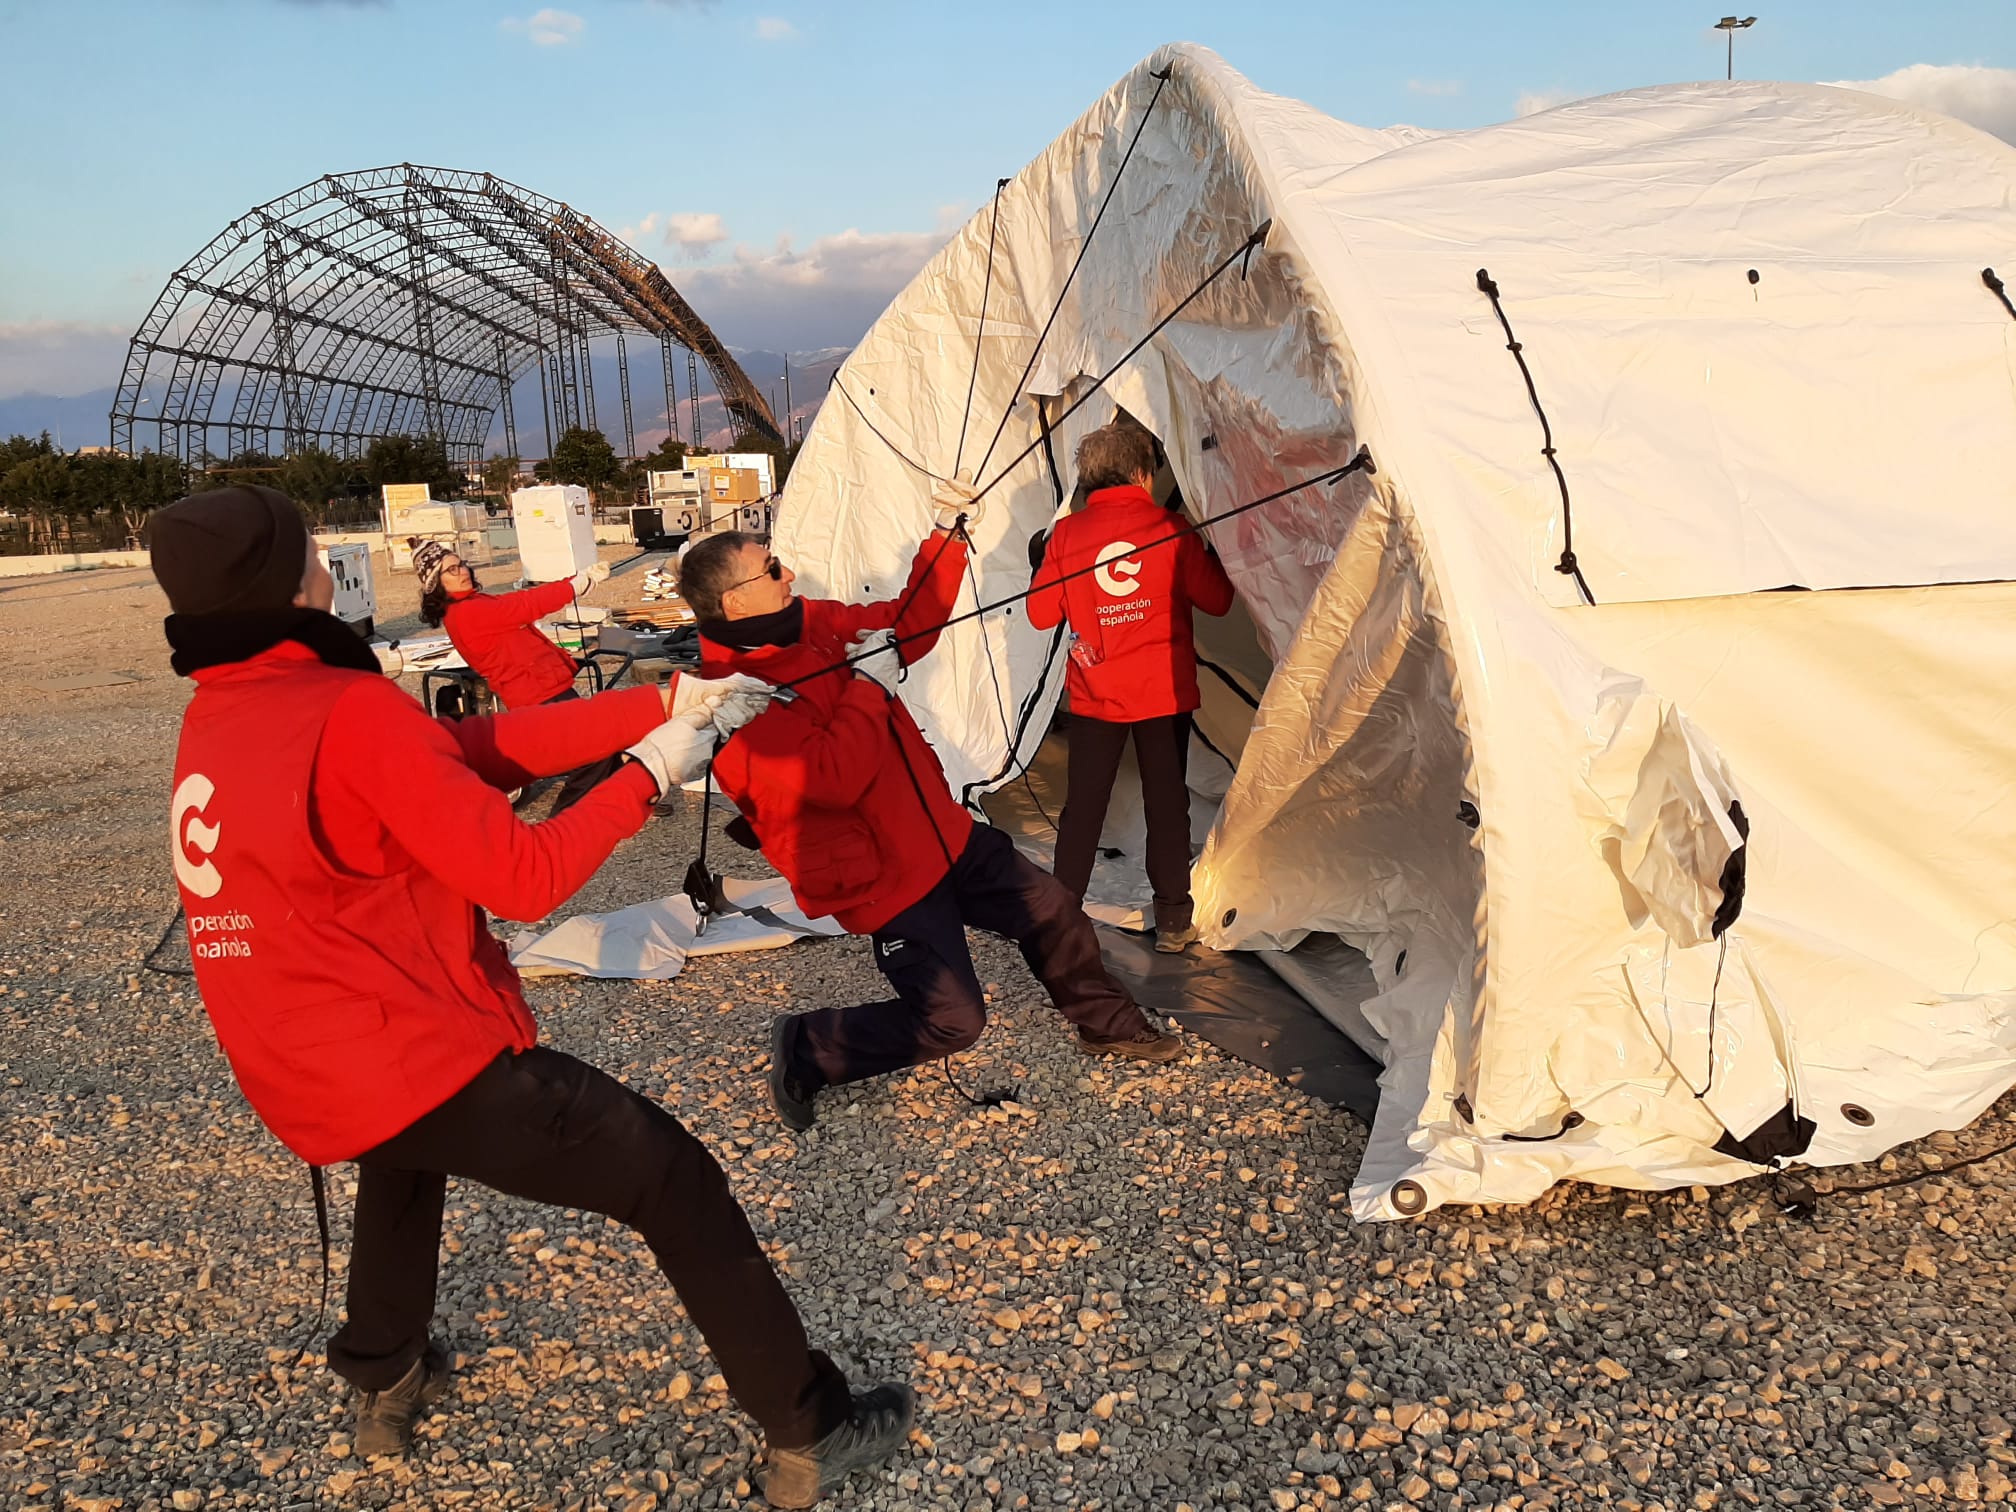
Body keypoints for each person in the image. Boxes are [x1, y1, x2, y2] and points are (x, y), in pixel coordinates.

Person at [153, 486, 912, 1508]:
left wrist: (665, 703)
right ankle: (809, 1426)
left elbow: (472, 753)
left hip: (301, 1063)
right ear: (284, 585)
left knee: (400, 1161)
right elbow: (523, 877)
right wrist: (649, 772)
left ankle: (384, 1373)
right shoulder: (346, 710)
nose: (328, 564)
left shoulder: (225, 710)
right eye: (310, 553)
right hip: (414, 1051)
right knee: (672, 1180)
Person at [676, 488, 1183, 1136]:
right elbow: (829, 778)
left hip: (943, 834)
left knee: (1053, 909)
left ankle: (1107, 1024)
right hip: (884, 878)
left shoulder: (805, 623)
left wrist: (946, 537)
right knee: (952, 1022)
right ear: (735, 602)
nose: (790, 573)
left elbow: (904, 625)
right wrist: (868, 684)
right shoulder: (728, 700)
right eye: (772, 569)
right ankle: (809, 1045)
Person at [1026, 422, 1235, 952]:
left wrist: (1042, 564)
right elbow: (1218, 601)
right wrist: (1212, 550)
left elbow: (1040, 615)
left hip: (1095, 693)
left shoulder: (1067, 536)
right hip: (1164, 692)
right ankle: (1174, 921)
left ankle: (1061, 919)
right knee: (1166, 804)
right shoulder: (1171, 528)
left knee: (1083, 808)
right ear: (1142, 473)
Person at [412, 538, 616, 814]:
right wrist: (575, 586)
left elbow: (520, 601)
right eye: (451, 570)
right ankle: (567, 816)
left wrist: (578, 580)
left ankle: (630, 794)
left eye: (461, 564)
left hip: (545, 687)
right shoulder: (469, 611)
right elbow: (525, 604)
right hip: (538, 693)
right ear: (436, 584)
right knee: (595, 747)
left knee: (601, 738)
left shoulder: (471, 602)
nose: (463, 571)